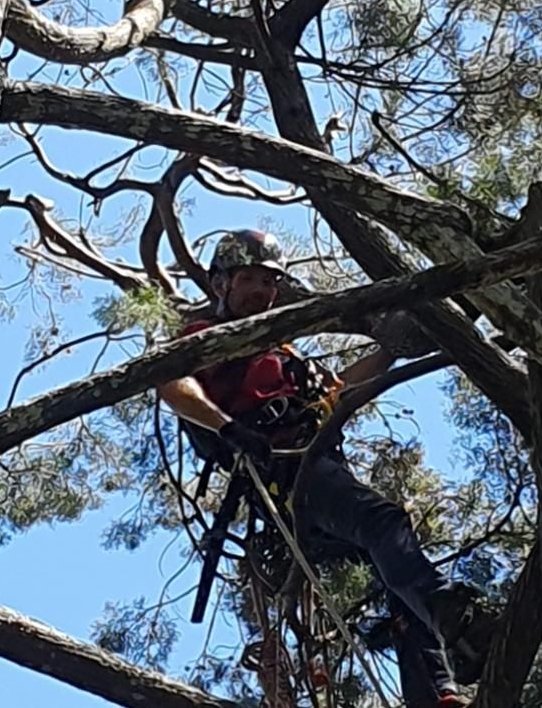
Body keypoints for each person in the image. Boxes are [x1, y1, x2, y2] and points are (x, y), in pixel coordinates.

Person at [159, 229, 481, 707]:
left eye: (268, 282)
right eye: (248, 279)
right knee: (383, 523)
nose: (260, 291)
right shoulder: (201, 337)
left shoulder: (284, 354)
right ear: (221, 283)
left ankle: (433, 693)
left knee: (391, 558)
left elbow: (339, 389)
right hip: (284, 475)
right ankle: (449, 612)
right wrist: (229, 428)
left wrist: (393, 346)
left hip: (316, 463)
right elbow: (172, 382)